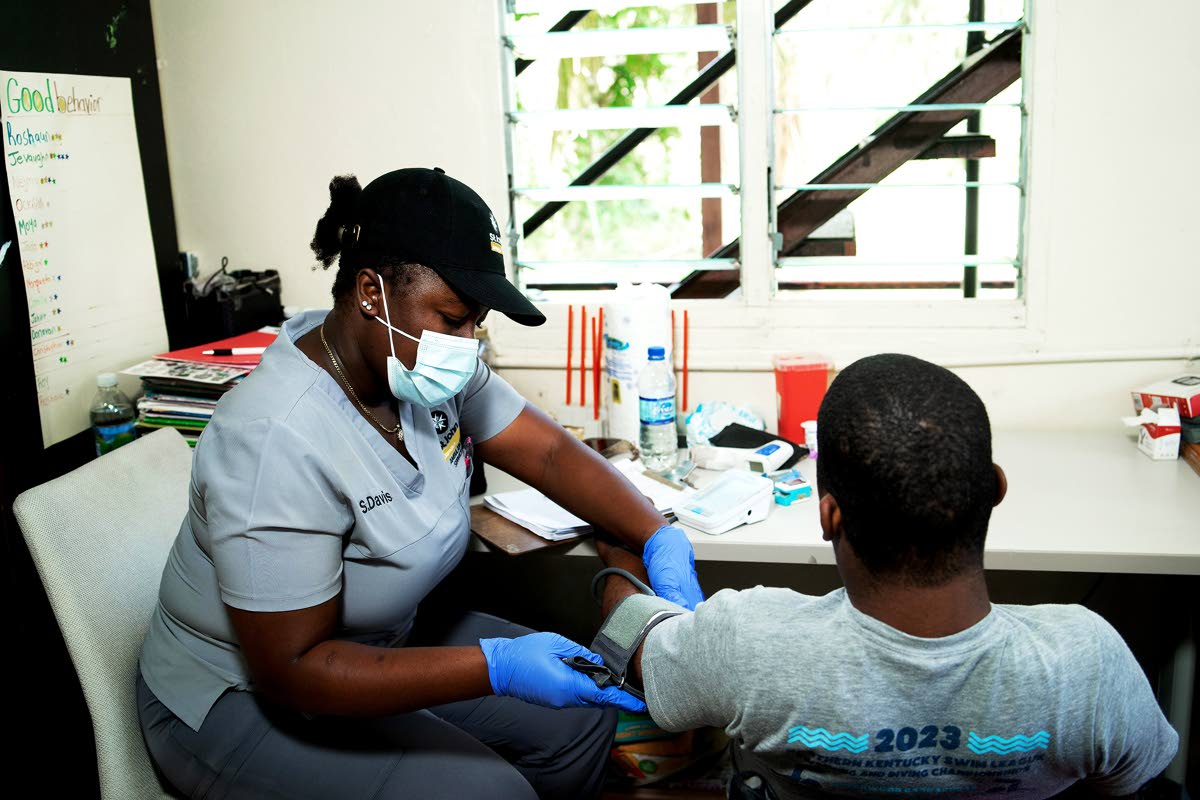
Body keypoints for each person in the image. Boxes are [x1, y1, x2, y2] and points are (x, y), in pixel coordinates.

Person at [136, 167, 705, 800]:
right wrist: (498, 668)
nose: (468, 344)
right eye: (454, 318)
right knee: (490, 793)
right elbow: (294, 670)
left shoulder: (414, 368)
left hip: (381, 641)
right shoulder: (275, 436)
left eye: (477, 323)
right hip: (237, 696)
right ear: (371, 292)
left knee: (583, 715)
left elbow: (547, 454)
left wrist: (657, 535)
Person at [593, 354, 1179, 800]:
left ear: (829, 515)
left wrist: (623, 557)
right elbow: (1134, 786)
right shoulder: (1090, 666)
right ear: (996, 489)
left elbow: (633, 643)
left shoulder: (748, 644)